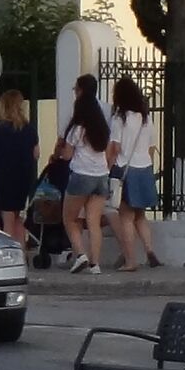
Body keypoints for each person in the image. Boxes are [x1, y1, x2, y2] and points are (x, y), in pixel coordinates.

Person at [57, 75, 110, 274]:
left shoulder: (78, 127)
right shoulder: (101, 126)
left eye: (75, 89)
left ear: (80, 92)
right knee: (93, 222)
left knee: (69, 218)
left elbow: (68, 155)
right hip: (101, 176)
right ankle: (95, 264)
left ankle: (80, 254)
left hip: (81, 175)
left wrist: (61, 153)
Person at [109, 77, 160, 271]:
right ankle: (149, 251)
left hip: (125, 169)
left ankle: (131, 261)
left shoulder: (119, 118)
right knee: (141, 216)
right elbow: (152, 148)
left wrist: (108, 169)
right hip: (144, 168)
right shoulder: (146, 118)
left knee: (126, 217)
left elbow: (115, 148)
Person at [0, 90, 38, 246]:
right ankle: (21, 255)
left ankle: (10, 256)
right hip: (24, 178)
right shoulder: (29, 129)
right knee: (19, 220)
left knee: (7, 221)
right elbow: (36, 154)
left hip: (4, 177)